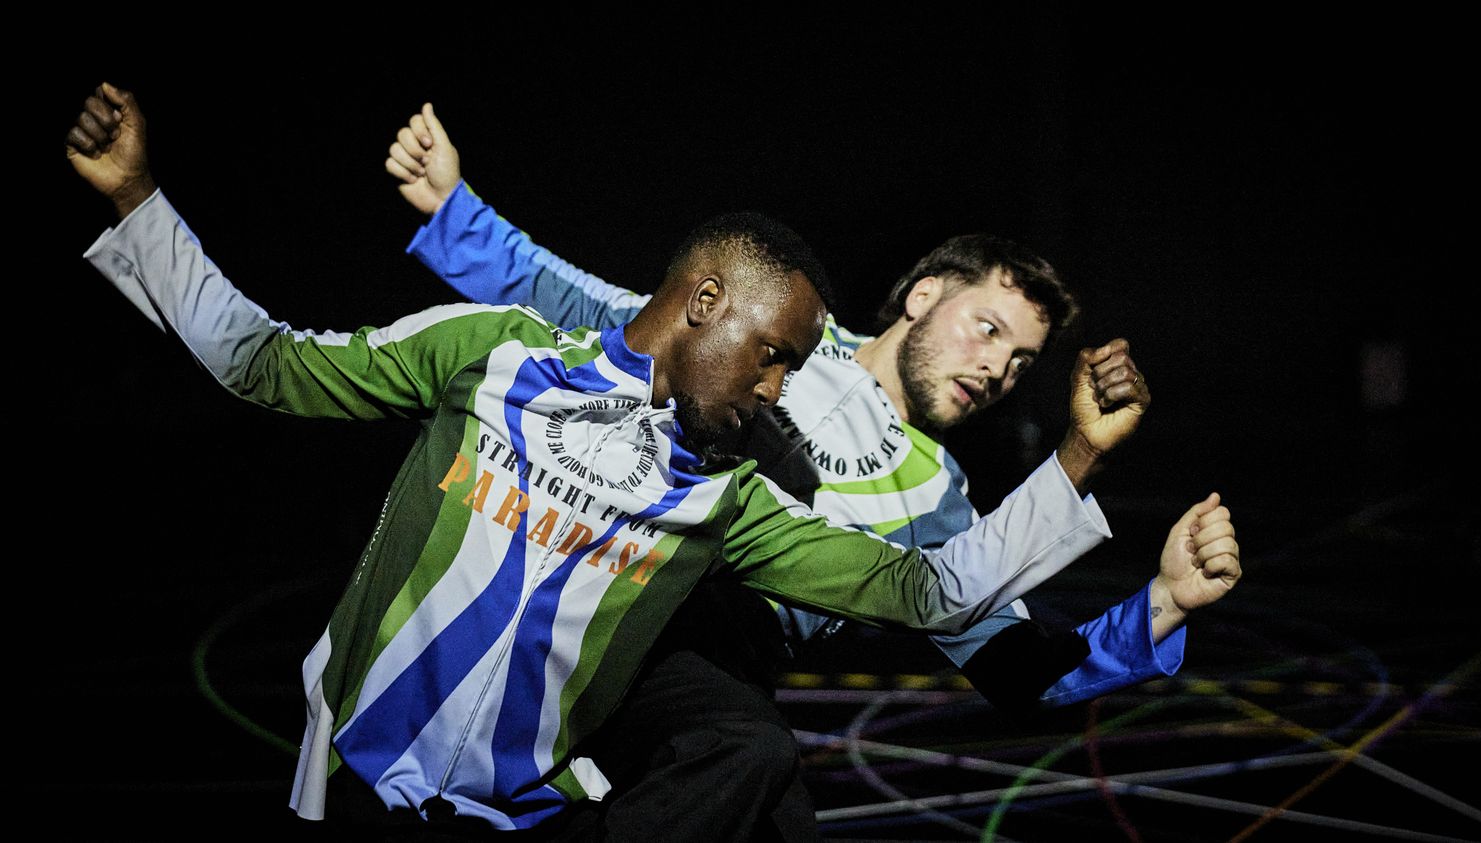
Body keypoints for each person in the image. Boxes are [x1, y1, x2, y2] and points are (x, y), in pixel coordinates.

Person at [68, 83, 1242, 839]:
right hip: (594, 643)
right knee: (741, 756)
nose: (999, 368)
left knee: (761, 778)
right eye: (991, 329)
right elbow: (597, 313)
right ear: (925, 296)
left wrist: (1152, 595)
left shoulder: (932, 499)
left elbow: (995, 647)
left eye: (1025, 363)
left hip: (694, 646)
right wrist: (458, 212)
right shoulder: (764, 333)